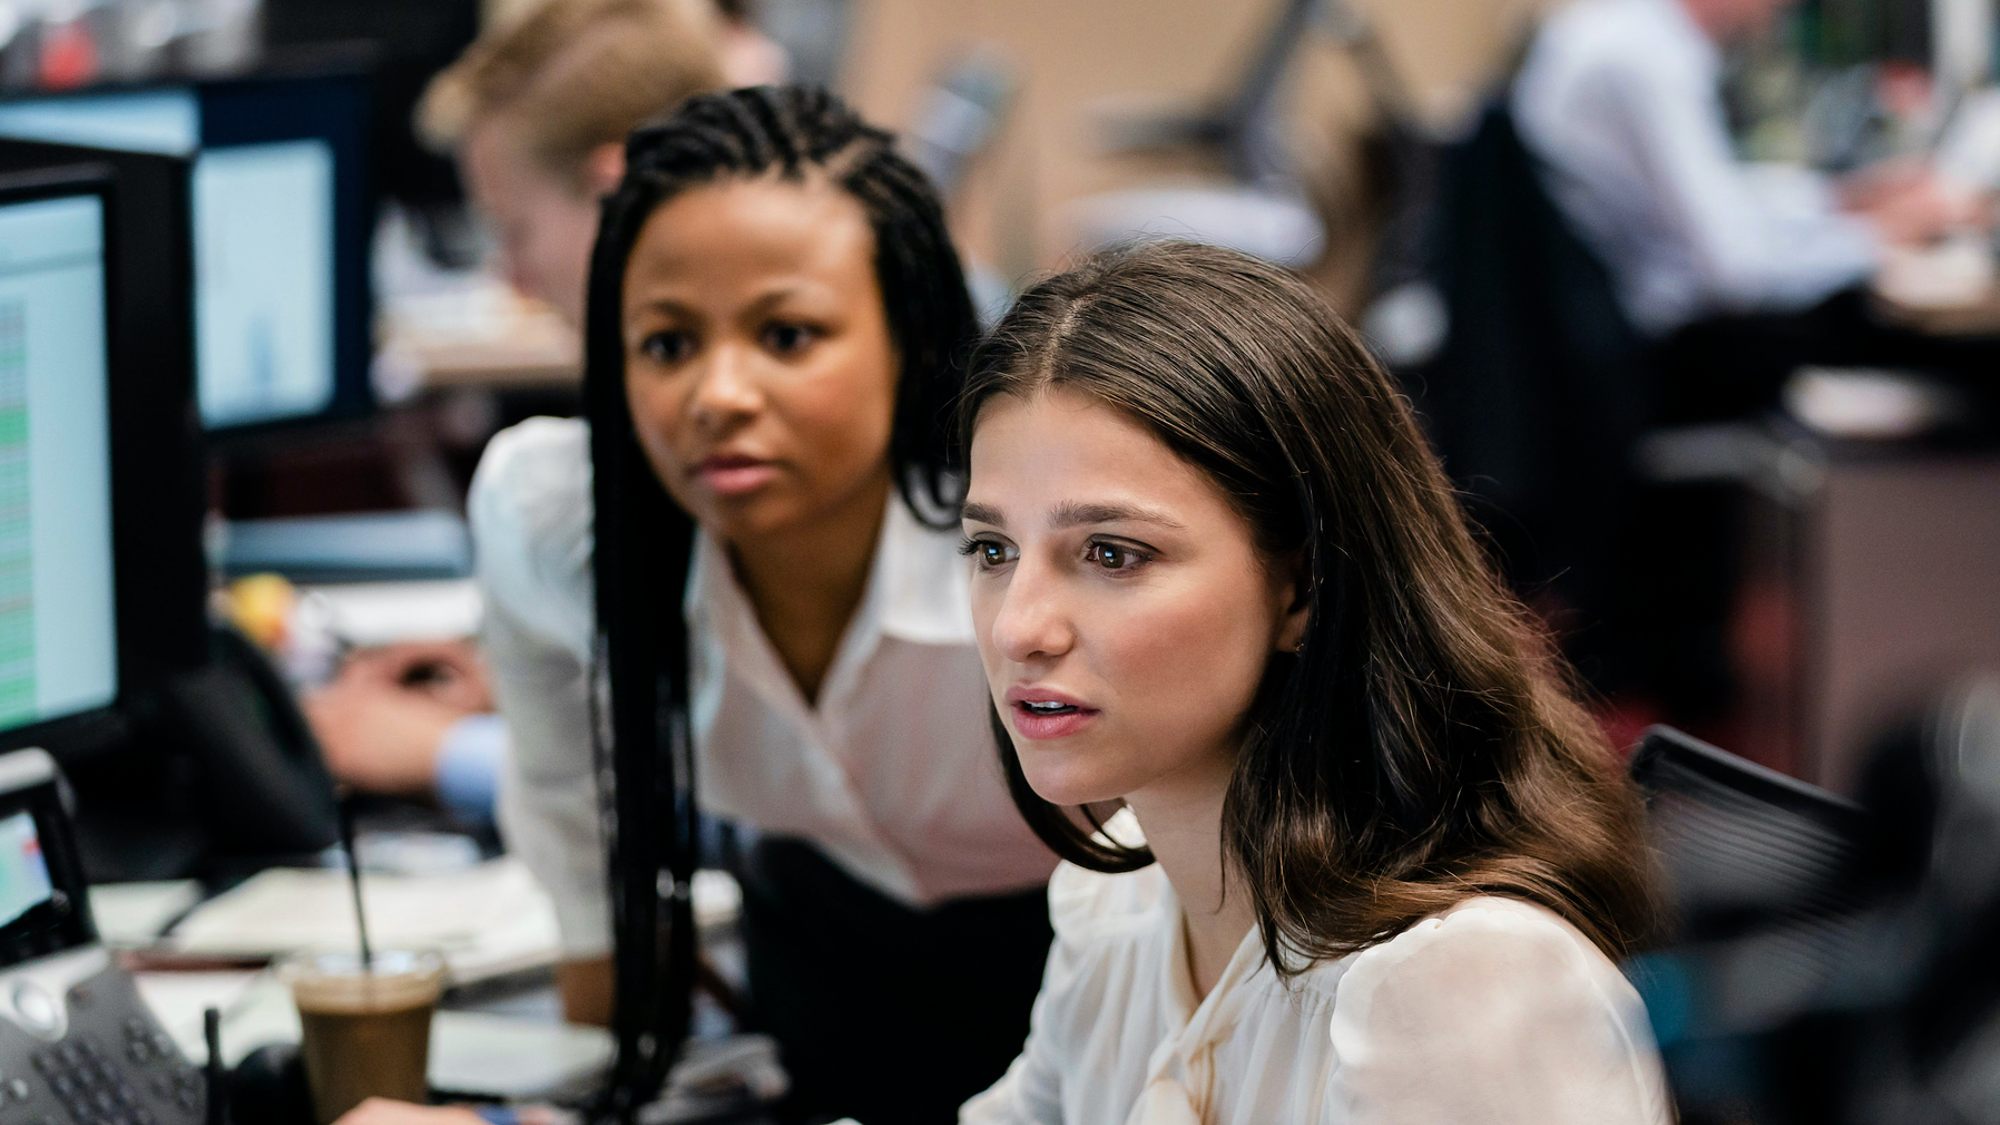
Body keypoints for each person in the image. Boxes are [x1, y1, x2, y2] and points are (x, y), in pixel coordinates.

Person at [953, 241, 1672, 1123]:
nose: (1020, 626)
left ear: (1301, 588)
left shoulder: (1460, 988)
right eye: (993, 549)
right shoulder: (1126, 900)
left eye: (1112, 553)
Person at [469, 86, 1056, 1123]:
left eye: (786, 335)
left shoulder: (1023, 563)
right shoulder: (563, 526)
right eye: (666, 343)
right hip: (822, 962)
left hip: (1092, 952)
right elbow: (567, 802)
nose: (716, 394)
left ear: (906, 340)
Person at [304, 0, 729, 815]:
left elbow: (773, 799)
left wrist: (444, 754)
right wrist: (527, 685)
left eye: (517, 230)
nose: (512, 279)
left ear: (615, 193)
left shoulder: (733, 433)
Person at [1513, 0, 1994, 417]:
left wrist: (1840, 199)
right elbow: (1739, 273)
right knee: (1948, 353)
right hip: (1658, 352)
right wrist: (1881, 236)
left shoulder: (1619, 34)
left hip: (1609, 341)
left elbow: (1714, 200)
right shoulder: (1644, 62)